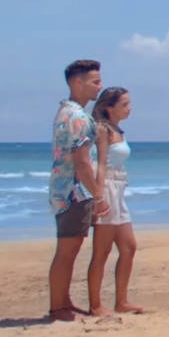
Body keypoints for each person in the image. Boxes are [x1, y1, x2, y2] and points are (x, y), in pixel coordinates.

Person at [48, 60, 108, 321]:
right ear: (77, 82)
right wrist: (98, 195)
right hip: (73, 192)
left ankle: (64, 301)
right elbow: (82, 162)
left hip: (66, 191)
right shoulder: (77, 117)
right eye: (95, 81)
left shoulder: (67, 112)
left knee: (70, 250)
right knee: (67, 250)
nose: (100, 86)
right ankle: (58, 307)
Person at [88, 87, 143, 316]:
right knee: (101, 251)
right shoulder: (103, 130)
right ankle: (96, 305)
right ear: (109, 108)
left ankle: (121, 301)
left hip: (119, 188)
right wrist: (98, 197)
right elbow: (100, 164)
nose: (129, 108)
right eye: (124, 104)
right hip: (107, 187)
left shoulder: (118, 130)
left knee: (129, 247)